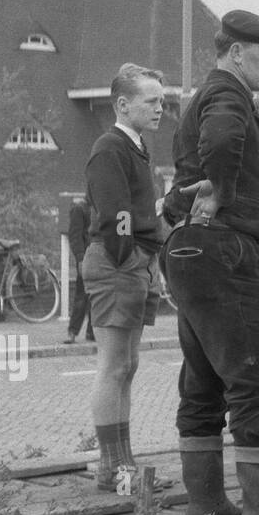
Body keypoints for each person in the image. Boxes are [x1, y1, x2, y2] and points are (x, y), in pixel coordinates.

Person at [161, 11, 259, 515]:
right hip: (223, 250)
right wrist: (223, 191)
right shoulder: (228, 97)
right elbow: (221, 141)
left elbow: (189, 171)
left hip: (189, 251)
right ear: (236, 53)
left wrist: (184, 200)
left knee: (203, 380)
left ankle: (207, 505)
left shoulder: (205, 96)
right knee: (255, 379)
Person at [82, 64, 171, 492]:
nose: (160, 108)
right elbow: (115, 214)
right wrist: (130, 256)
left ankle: (121, 465)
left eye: (161, 100)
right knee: (114, 366)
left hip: (135, 262)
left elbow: (134, 211)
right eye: (151, 101)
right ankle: (114, 470)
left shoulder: (134, 147)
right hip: (119, 264)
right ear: (123, 104)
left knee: (127, 366)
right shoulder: (110, 147)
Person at [63, 193, 95, 344]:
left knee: (97, 297)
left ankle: (92, 331)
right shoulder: (80, 209)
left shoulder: (99, 209)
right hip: (87, 258)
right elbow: (75, 236)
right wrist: (80, 258)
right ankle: (73, 331)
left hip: (99, 258)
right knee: (82, 296)